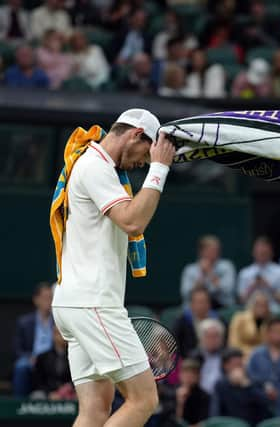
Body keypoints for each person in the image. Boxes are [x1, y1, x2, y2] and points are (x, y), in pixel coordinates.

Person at [50, 109, 175, 427]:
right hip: (94, 303)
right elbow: (133, 220)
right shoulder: (96, 166)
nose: (144, 162)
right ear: (136, 135)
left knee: (94, 412)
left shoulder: (90, 162)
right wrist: (159, 169)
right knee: (144, 400)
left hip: (72, 303)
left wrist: (156, 163)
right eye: (147, 153)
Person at [13, 282, 54, 397]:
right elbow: (17, 349)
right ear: (36, 300)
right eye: (45, 298)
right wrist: (30, 357)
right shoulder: (24, 322)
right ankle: (18, 407)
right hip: (32, 359)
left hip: (53, 359)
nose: (49, 301)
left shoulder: (59, 321)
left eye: (51, 297)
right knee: (21, 366)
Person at [246, 317, 280, 405]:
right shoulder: (256, 355)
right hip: (260, 399)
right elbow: (250, 377)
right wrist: (266, 388)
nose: (279, 334)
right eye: (276, 331)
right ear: (267, 333)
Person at [213, 347, 272, 425]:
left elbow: (265, 404)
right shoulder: (220, 385)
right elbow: (215, 412)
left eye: (240, 365)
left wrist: (247, 386)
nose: (238, 368)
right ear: (225, 366)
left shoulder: (253, 382)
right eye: (234, 365)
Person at [181, 234, 236, 308]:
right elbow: (186, 294)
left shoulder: (226, 266)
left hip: (222, 307)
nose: (214, 253)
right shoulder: (190, 269)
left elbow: (228, 291)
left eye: (216, 250)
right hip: (195, 308)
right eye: (210, 250)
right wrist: (202, 275)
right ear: (201, 251)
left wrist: (210, 272)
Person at [237, 236, 280, 312]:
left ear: (271, 252)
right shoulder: (245, 273)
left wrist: (268, 286)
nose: (261, 253)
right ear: (253, 252)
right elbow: (241, 301)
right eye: (259, 251)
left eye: (264, 252)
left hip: (273, 311)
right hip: (250, 311)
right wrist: (253, 286)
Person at [174, 286, 219, 358]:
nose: (202, 305)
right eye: (199, 302)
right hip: (189, 363)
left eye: (204, 301)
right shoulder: (181, 323)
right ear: (191, 305)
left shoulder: (219, 321)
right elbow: (176, 347)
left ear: (209, 304)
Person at [32, 326, 75, 400]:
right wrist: (49, 393)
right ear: (53, 335)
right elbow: (38, 381)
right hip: (48, 392)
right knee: (37, 396)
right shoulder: (42, 358)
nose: (63, 337)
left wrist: (68, 389)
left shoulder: (74, 357)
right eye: (59, 334)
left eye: (66, 334)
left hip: (69, 393)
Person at [188, 318, 225, 401]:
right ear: (201, 338)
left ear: (221, 339)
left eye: (215, 336)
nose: (212, 340)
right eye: (208, 336)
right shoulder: (194, 356)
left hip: (222, 397)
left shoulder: (227, 356)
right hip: (199, 397)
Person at [174, 359, 211, 426]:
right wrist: (180, 403)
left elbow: (204, 422)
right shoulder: (171, 393)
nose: (189, 376)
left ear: (199, 376)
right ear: (180, 375)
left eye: (193, 373)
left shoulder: (204, 396)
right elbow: (174, 421)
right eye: (185, 372)